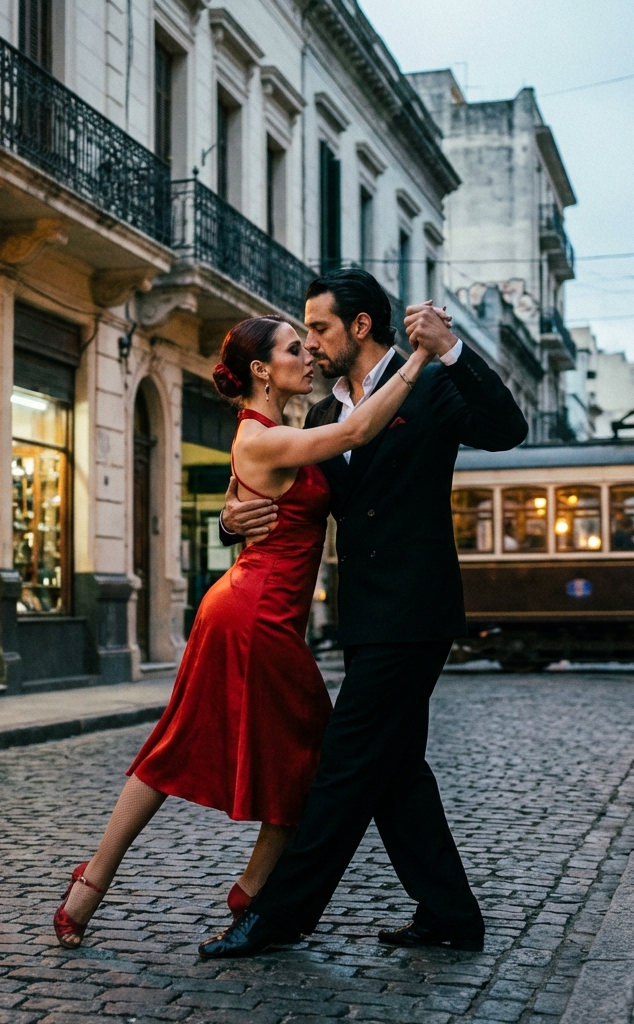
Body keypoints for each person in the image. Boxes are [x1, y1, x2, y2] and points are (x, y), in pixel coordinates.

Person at [52, 310, 436, 949]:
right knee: (306, 756)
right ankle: (242, 890)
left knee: (207, 749)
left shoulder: (275, 430)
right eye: (293, 348)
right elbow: (362, 427)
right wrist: (418, 358)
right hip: (254, 618)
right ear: (262, 370)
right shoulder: (260, 438)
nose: (308, 355)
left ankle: (103, 887)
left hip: (252, 611)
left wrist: (232, 519)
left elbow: (256, 505)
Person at [198, 268, 529, 960]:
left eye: (317, 328)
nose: (309, 342)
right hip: (366, 614)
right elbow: (293, 501)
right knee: (396, 770)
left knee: (344, 765)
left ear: (358, 327)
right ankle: (450, 914)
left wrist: (453, 348)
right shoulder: (321, 416)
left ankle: (280, 914)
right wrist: (234, 520)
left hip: (414, 609)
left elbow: (507, 429)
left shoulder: (432, 382)